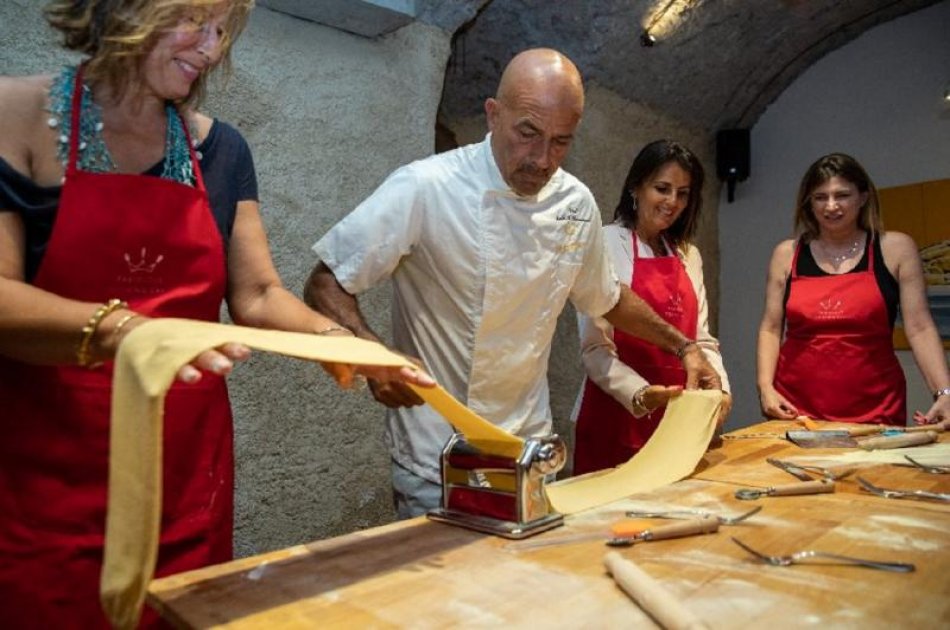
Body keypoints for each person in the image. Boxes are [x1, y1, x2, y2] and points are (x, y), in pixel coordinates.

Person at [0, 1, 430, 627]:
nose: (211, 47)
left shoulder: (223, 149)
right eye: (194, 20)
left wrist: (346, 343)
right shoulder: (14, 114)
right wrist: (131, 330)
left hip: (183, 477)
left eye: (223, 30)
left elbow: (257, 294)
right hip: (42, 478)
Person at [305, 48, 722, 519]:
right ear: (493, 114)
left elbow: (606, 298)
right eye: (528, 133)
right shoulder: (426, 186)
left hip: (529, 453)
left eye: (561, 142)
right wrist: (372, 354)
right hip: (438, 457)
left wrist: (684, 347)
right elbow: (326, 282)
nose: (542, 159)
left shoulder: (575, 203)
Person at [571, 140, 731, 475]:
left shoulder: (688, 254)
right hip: (615, 416)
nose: (672, 202)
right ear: (636, 187)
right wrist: (642, 395)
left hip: (677, 420)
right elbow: (595, 349)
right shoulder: (605, 243)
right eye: (662, 189)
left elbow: (701, 339)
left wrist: (720, 388)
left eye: (683, 194)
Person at [757, 153, 950, 426]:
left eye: (842, 195)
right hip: (795, 408)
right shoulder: (786, 254)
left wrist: (944, 393)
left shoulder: (896, 249)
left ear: (863, 197)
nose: (831, 206)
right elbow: (770, 328)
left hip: (876, 406)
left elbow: (920, 327)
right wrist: (766, 387)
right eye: (820, 197)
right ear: (808, 203)